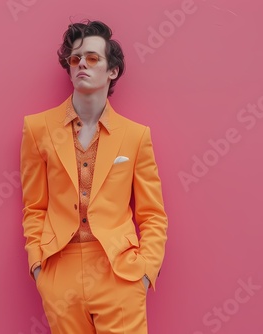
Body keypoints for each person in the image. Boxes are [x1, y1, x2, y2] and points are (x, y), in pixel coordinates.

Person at [19, 19, 168, 334]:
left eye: (92, 58)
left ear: (112, 71)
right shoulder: (37, 129)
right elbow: (34, 206)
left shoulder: (136, 135)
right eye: (75, 59)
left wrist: (145, 272)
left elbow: (153, 214)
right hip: (60, 270)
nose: (81, 64)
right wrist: (38, 267)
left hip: (119, 271)